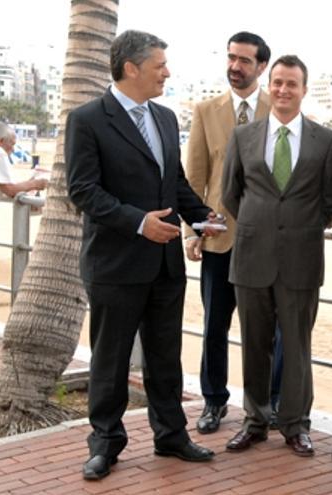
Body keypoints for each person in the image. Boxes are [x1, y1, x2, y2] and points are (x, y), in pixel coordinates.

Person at [66, 30, 221, 481]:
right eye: (160, 65)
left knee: (165, 356)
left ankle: (171, 435)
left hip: (166, 265)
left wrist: (202, 215)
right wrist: (139, 222)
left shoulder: (167, 118)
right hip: (115, 264)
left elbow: (172, 183)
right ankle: (104, 444)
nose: (167, 73)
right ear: (130, 67)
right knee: (110, 361)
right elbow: (82, 190)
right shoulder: (88, 119)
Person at [221, 54, 332, 457]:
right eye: (277, 82)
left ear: (304, 90)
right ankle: (254, 421)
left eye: (292, 84)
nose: (283, 90)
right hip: (252, 258)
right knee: (254, 345)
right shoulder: (244, 136)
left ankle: (295, 424)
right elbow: (230, 193)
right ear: (267, 84)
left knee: (297, 347)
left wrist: (295, 228)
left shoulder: (326, 141)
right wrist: (261, 225)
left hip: (300, 260)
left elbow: (331, 201)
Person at [183, 31, 284, 435]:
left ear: (261, 67)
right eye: (231, 57)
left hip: (266, 244)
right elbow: (194, 177)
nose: (235, 66)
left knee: (267, 330)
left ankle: (267, 404)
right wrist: (192, 231)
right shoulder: (206, 110)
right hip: (218, 240)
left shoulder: (278, 110)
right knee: (214, 328)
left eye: (244, 60)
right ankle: (213, 402)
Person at [0, 122, 47, 234]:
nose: (13, 150)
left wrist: (27, 184)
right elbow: (9, 189)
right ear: (1, 141)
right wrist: (37, 184)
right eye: (12, 144)